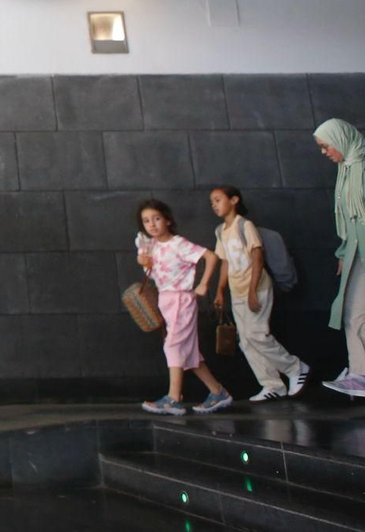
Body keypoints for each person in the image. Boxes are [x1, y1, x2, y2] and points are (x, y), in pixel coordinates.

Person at [209, 186, 308, 401]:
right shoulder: (220, 231)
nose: (214, 205)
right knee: (245, 341)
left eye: (218, 200)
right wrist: (219, 290)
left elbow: (257, 257)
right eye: (212, 202)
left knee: (257, 335)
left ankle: (295, 367)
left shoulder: (245, 225)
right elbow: (225, 262)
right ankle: (272, 385)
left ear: (234, 200)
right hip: (237, 292)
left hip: (257, 288)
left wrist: (253, 290)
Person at [135, 200, 231, 415]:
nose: (152, 224)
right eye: (146, 221)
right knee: (188, 354)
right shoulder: (153, 246)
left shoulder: (179, 243)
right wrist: (144, 261)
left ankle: (173, 398)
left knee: (173, 346)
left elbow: (210, 256)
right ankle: (218, 392)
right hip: (167, 300)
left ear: (167, 220)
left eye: (157, 219)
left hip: (180, 299)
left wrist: (204, 283)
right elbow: (155, 270)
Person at [315, 118, 365, 396]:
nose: (324, 152)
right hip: (358, 252)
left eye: (326, 145)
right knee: (352, 311)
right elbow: (348, 218)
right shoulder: (346, 170)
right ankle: (360, 373)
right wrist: (344, 252)